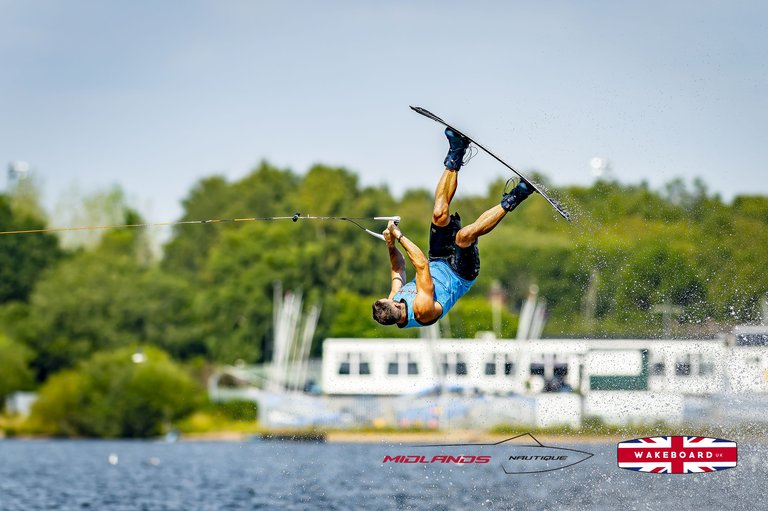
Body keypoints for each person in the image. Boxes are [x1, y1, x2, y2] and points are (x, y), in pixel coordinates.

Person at [372, 128, 535, 328]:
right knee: (464, 236)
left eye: (390, 297)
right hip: (460, 273)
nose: (394, 297)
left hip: (438, 259)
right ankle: (518, 195)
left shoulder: (393, 301)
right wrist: (398, 235)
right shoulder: (422, 311)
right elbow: (421, 265)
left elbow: (398, 268)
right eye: (394, 301)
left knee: (439, 214)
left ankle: (456, 152)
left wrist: (390, 246)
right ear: (397, 309)